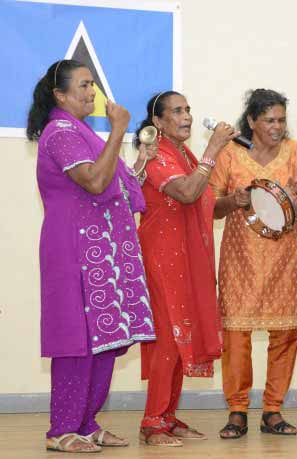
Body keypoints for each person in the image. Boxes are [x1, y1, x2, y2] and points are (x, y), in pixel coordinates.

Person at [27, 59, 156, 453]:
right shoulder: (60, 133)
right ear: (59, 95)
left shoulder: (82, 133)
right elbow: (96, 182)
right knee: (76, 339)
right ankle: (61, 430)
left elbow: (115, 183)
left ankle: (86, 422)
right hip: (73, 250)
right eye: (83, 85)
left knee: (103, 338)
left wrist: (140, 161)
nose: (91, 92)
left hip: (100, 252)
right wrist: (118, 130)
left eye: (92, 84)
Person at [209, 88, 297, 439]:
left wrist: (289, 203)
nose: (277, 127)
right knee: (236, 335)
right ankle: (237, 411)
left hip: (286, 256)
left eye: (281, 120)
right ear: (251, 121)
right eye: (269, 120)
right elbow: (211, 206)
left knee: (286, 334)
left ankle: (273, 410)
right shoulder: (230, 152)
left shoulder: (295, 151)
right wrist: (235, 200)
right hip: (240, 257)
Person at [135, 91, 237, 446]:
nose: (187, 116)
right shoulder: (156, 155)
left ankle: (167, 416)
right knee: (168, 338)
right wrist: (214, 148)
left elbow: (205, 204)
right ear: (158, 122)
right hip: (163, 258)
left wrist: (235, 201)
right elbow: (187, 193)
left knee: (182, 339)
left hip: (187, 258)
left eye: (188, 110)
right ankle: (152, 422)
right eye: (177, 111)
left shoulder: (184, 154)